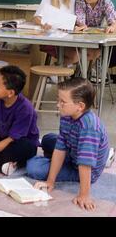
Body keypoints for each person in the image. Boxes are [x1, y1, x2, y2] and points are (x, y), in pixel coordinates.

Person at [26, 78, 110, 211]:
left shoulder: (89, 127)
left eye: (63, 102)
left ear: (80, 106)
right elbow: (60, 147)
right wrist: (50, 181)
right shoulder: (67, 114)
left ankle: (100, 154)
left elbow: (85, 164)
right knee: (48, 139)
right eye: (58, 100)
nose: (58, 105)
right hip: (73, 150)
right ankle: (60, 160)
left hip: (81, 166)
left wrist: (84, 195)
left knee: (33, 167)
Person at [33, 0, 78, 65]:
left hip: (68, 39)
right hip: (51, 39)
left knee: (82, 53)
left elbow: (75, 18)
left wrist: (75, 26)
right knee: (75, 55)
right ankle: (57, 72)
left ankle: (57, 71)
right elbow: (36, 18)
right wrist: (43, 24)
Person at [74, 0, 116, 64]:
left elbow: (113, 20)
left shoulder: (106, 2)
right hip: (81, 38)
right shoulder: (80, 0)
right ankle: (82, 72)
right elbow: (80, 20)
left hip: (98, 38)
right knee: (89, 53)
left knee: (102, 51)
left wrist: (112, 26)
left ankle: (94, 72)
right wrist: (82, 25)